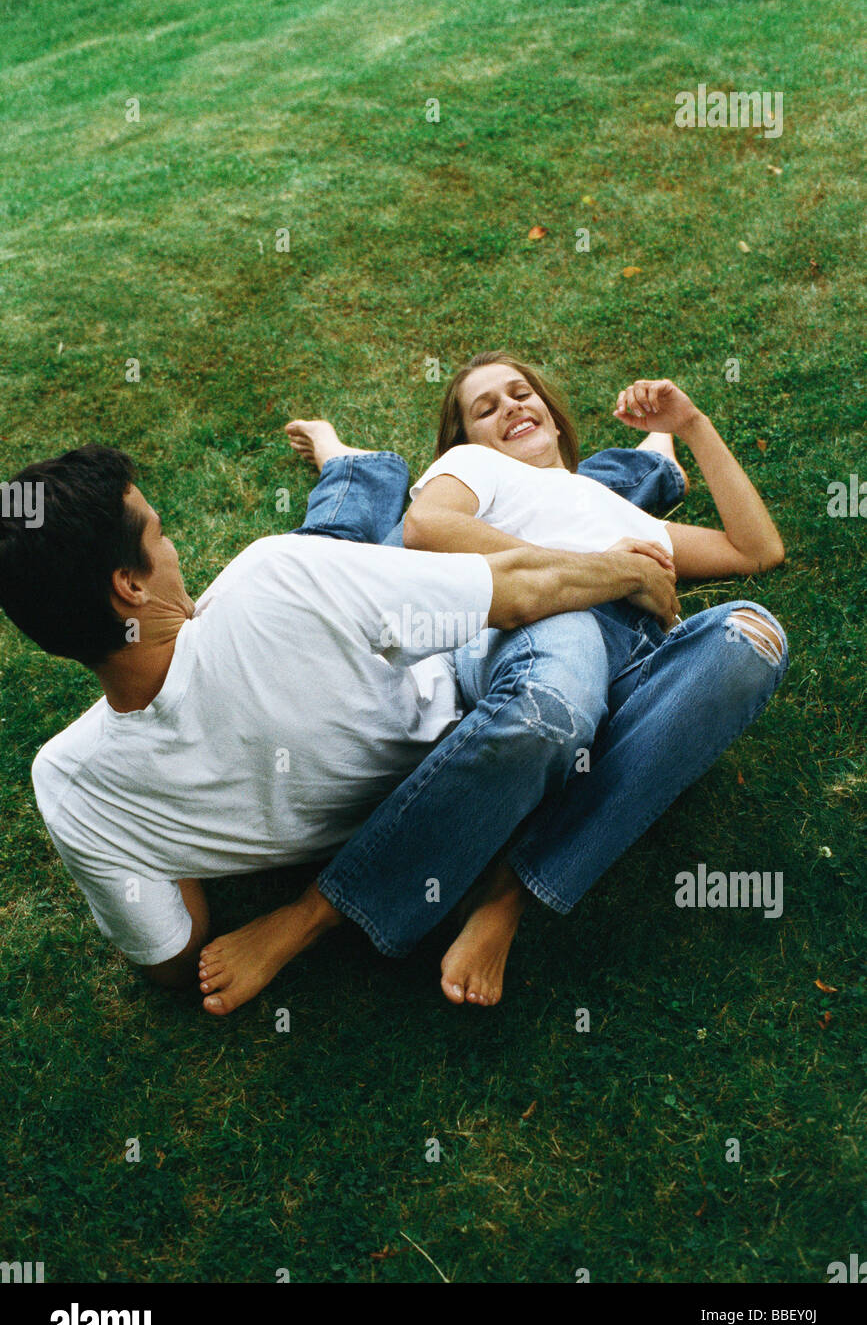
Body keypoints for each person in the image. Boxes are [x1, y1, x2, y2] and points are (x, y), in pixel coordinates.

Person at [0, 438, 676, 1010]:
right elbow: (519, 592)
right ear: (131, 586)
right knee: (363, 530)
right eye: (159, 532)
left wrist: (167, 840)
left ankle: (346, 460)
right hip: (412, 642)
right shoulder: (273, 580)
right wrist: (626, 571)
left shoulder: (68, 783)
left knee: (342, 541)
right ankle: (360, 464)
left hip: (345, 611)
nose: (173, 545)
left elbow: (175, 959)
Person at [276, 356, 787, 1009]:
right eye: (485, 408)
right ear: (465, 441)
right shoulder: (477, 469)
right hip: (536, 618)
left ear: (550, 411)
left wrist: (690, 423)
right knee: (555, 705)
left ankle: (506, 892)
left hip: (628, 661)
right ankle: (322, 910)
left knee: (752, 635)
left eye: (521, 393)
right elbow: (427, 527)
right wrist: (606, 568)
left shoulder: (611, 505)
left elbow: (756, 552)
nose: (511, 406)